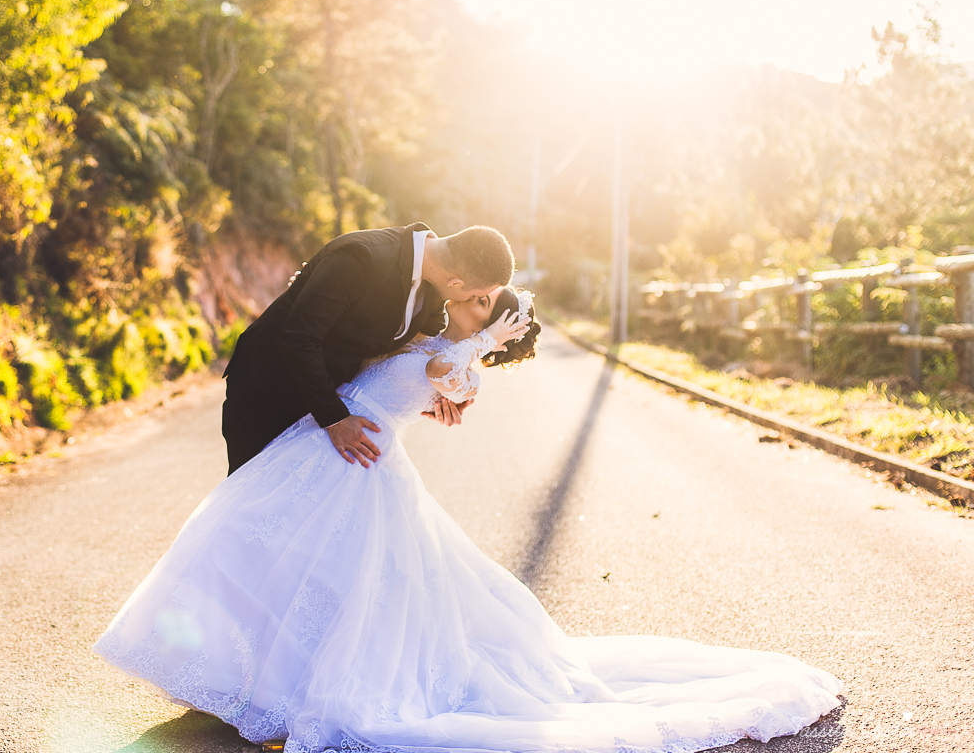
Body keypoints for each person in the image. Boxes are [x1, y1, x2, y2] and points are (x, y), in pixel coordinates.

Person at [94, 287, 843, 753]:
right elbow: (397, 370)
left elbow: (449, 383)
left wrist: (478, 352)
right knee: (245, 547)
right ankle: (229, 674)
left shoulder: (457, 361)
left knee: (343, 587)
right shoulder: (423, 339)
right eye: (479, 305)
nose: (475, 311)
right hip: (322, 446)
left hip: (357, 463)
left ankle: (276, 686)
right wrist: (456, 355)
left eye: (488, 309)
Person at [221, 223, 515, 474]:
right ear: (456, 282)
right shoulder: (361, 258)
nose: (469, 302)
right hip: (269, 389)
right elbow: (298, 338)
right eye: (475, 295)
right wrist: (335, 419)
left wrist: (437, 398)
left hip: (327, 399)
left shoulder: (435, 290)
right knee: (251, 507)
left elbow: (413, 354)